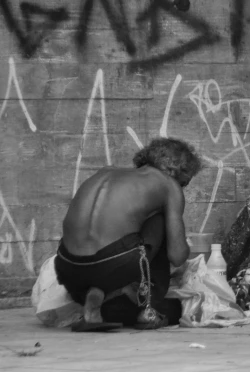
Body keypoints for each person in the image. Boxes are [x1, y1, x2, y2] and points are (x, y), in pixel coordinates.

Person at [54, 138, 202, 331]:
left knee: (130, 232)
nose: (182, 187)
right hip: (113, 263)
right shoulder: (168, 185)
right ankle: (147, 308)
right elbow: (177, 255)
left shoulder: (105, 173)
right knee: (160, 220)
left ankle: (97, 293)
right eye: (184, 182)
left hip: (68, 269)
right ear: (175, 169)